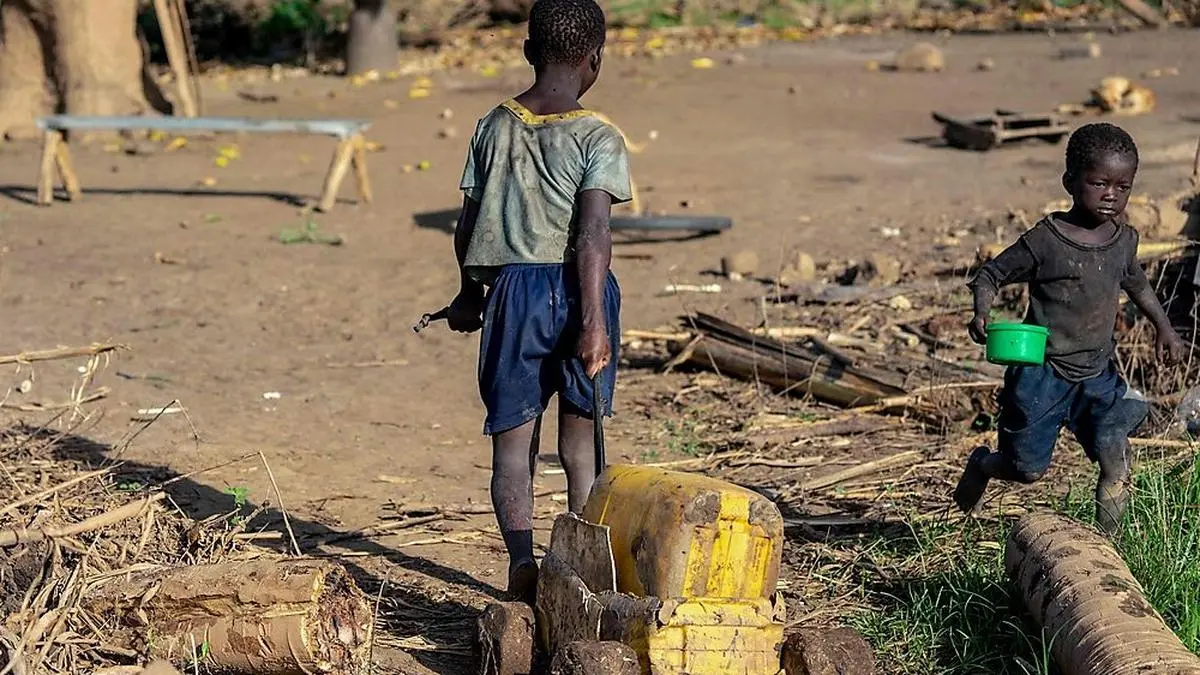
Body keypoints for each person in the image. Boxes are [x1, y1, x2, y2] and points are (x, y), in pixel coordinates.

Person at [442, 0, 630, 603]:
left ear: (528, 51)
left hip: (512, 294)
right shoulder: (598, 135)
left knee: (512, 446)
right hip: (581, 291)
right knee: (580, 446)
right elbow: (594, 233)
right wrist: (595, 322)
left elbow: (467, 226)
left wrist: (470, 294)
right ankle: (579, 574)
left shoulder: (493, 125)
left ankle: (521, 562)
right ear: (594, 60)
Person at [954, 122, 1187, 534]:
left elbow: (1138, 285)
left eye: (1123, 186)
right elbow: (990, 274)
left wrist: (1164, 329)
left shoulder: (1123, 241)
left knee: (1112, 449)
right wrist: (981, 313)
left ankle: (1111, 546)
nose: (1112, 195)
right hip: (1040, 376)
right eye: (1099, 183)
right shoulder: (1046, 241)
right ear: (1070, 182)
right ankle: (985, 464)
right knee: (1025, 470)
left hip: (1096, 374)